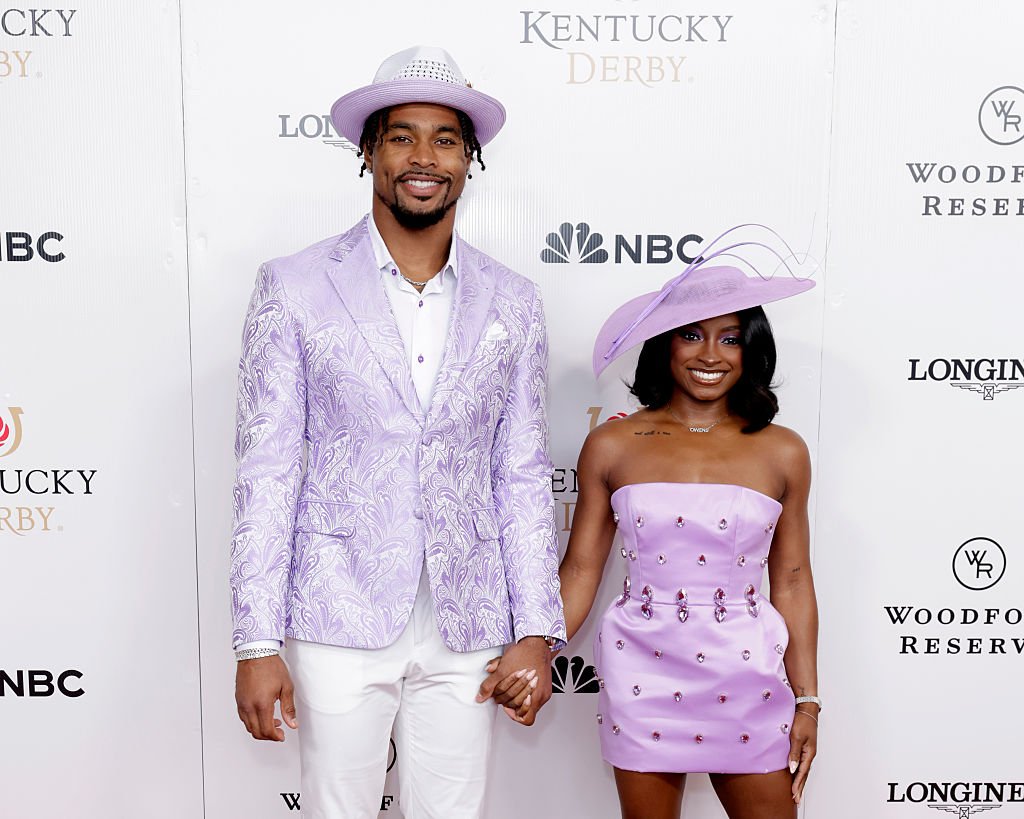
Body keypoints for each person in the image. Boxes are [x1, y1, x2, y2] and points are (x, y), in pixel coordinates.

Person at [229, 45, 565, 819]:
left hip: (466, 618)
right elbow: (266, 470)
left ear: (469, 160)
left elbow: (519, 473)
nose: (424, 157)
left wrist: (537, 628)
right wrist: (256, 642)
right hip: (336, 607)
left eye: (445, 139)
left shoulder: (514, 300)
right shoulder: (294, 286)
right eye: (402, 137)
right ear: (368, 152)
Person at [558, 240, 820, 818]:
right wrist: (535, 647)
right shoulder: (612, 443)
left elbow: (793, 580)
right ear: (665, 343)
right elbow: (579, 570)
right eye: (691, 334)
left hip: (746, 670)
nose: (710, 355)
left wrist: (807, 699)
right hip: (641, 668)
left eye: (730, 338)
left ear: (752, 349)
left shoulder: (783, 451)